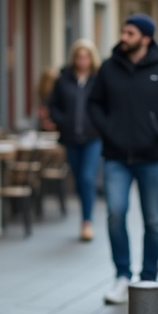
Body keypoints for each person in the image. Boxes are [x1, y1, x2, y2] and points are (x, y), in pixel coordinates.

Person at [87, 14, 158, 305]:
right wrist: (108, 128)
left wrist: (157, 129)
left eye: (130, 33)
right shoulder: (109, 67)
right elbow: (94, 103)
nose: (123, 37)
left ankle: (147, 277)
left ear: (146, 38)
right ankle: (122, 275)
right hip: (116, 157)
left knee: (153, 220)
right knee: (115, 213)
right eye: (123, 31)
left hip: (152, 157)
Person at [47, 40, 103, 242]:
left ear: (91, 58)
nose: (82, 60)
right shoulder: (64, 80)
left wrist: (101, 124)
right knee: (79, 180)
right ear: (74, 58)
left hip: (93, 137)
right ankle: (85, 215)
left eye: (86, 56)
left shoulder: (98, 80)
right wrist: (61, 121)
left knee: (87, 177)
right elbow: (52, 105)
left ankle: (87, 222)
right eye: (79, 56)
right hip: (71, 137)